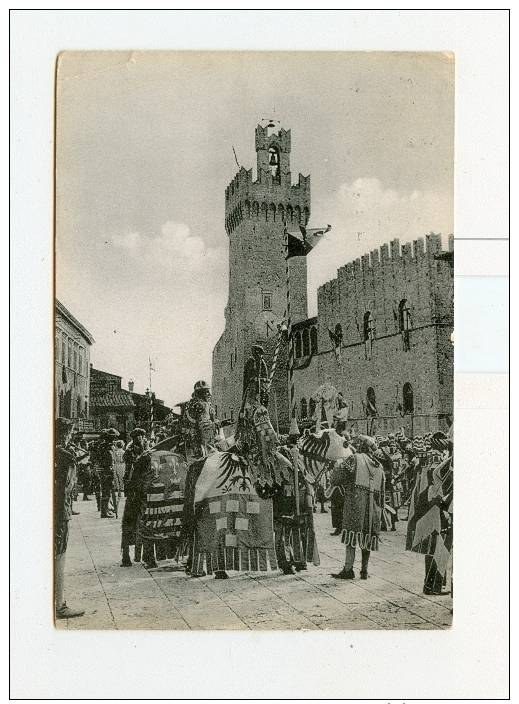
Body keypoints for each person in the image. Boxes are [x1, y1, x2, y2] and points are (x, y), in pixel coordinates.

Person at [331, 435, 385, 580]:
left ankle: (348, 568)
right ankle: (364, 570)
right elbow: (383, 494)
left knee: (351, 535)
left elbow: (336, 479)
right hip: (373, 509)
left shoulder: (355, 459)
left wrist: (337, 465)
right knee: (367, 535)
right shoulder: (379, 466)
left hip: (355, 505)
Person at [406, 431, 453, 596]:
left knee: (431, 545)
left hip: (425, 505)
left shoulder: (426, 458)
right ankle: (433, 586)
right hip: (433, 505)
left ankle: (431, 584)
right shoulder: (436, 460)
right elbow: (436, 483)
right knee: (436, 545)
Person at [54, 417, 84, 619]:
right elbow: (67, 486)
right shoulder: (66, 455)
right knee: (60, 556)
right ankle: (59, 603)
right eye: (70, 433)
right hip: (60, 511)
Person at [120, 428, 147, 566]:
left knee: (144, 523)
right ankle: (126, 556)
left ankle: (143, 556)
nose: (141, 439)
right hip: (134, 492)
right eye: (138, 437)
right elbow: (128, 472)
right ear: (134, 438)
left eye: (142, 436)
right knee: (129, 524)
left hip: (143, 490)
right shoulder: (130, 453)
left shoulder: (145, 451)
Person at [183, 380, 219, 460]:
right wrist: (216, 424)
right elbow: (205, 426)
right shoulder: (202, 405)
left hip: (188, 445)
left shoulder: (189, 404)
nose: (209, 394)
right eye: (206, 392)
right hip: (200, 446)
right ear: (201, 393)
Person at [97, 428, 119, 518]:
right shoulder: (104, 447)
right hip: (106, 471)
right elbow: (103, 460)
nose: (113, 439)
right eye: (112, 438)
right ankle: (104, 512)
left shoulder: (110, 447)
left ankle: (106, 510)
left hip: (110, 470)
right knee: (106, 491)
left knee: (108, 491)